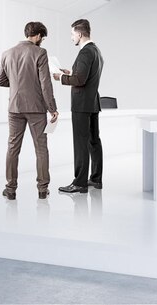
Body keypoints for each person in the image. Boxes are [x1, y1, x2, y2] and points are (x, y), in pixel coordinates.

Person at [0, 21, 58, 200]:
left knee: (12, 147)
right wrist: (52, 108)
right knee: (41, 148)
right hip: (36, 108)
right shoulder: (40, 52)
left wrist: (18, 83)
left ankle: (10, 189)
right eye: (42, 38)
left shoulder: (6, 53)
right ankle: (42, 189)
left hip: (14, 107)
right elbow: (45, 84)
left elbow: (0, 81)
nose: (42, 41)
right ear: (38, 36)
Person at [53, 19, 104, 193]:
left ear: (80, 34)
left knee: (81, 143)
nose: (71, 37)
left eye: (72, 34)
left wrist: (61, 78)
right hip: (93, 103)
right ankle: (96, 179)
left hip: (82, 105)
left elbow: (80, 80)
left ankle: (80, 183)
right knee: (93, 141)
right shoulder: (96, 51)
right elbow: (84, 76)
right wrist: (71, 72)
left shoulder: (85, 53)